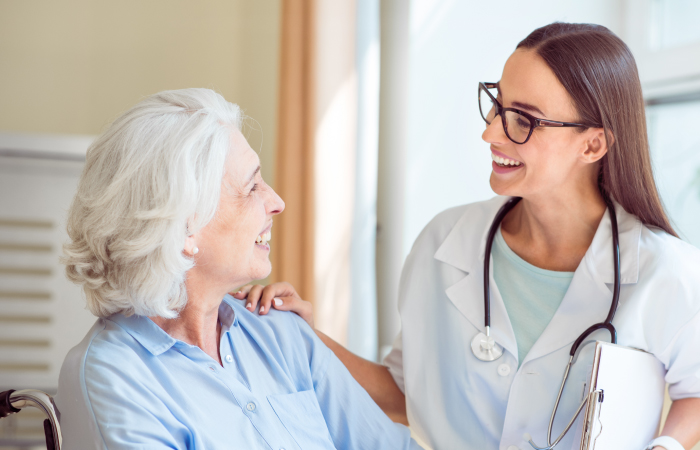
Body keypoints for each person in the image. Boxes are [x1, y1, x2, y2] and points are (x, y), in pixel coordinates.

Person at [239, 23, 700, 450]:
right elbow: (406, 394)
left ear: (593, 145)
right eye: (498, 106)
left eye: (525, 120)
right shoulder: (444, 243)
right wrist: (303, 336)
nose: (490, 133)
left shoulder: (665, 272)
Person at [54, 88, 422, 450]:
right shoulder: (114, 376)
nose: (277, 202)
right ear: (185, 226)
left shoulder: (281, 333)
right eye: (252, 188)